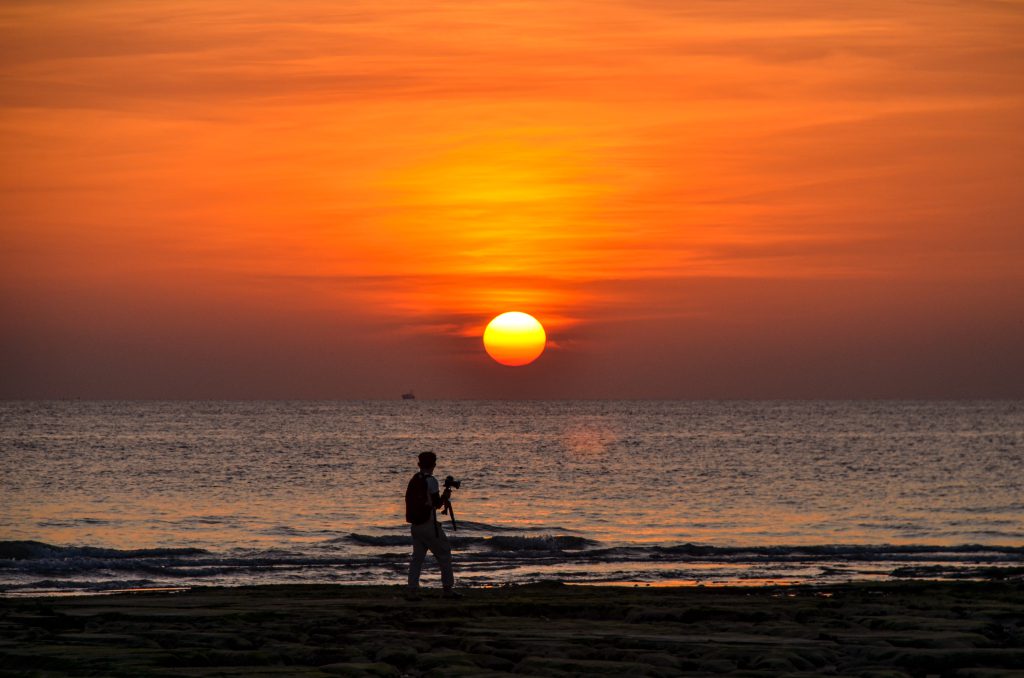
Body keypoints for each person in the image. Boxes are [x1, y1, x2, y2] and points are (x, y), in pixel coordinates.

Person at [405, 451, 461, 599]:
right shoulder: (431, 481)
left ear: (419, 464)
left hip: (415, 526)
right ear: (434, 465)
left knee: (417, 559)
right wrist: (445, 496)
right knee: (444, 554)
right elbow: (436, 504)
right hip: (428, 525)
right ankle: (447, 590)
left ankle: (412, 591)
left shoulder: (414, 479)